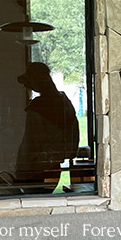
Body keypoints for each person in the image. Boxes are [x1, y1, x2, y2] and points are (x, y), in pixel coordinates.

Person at [15, 62, 79, 190]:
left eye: (29, 82)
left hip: (35, 169)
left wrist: (21, 169)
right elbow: (74, 137)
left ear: (36, 81)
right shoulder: (65, 103)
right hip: (54, 167)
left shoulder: (37, 108)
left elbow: (30, 143)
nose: (27, 86)